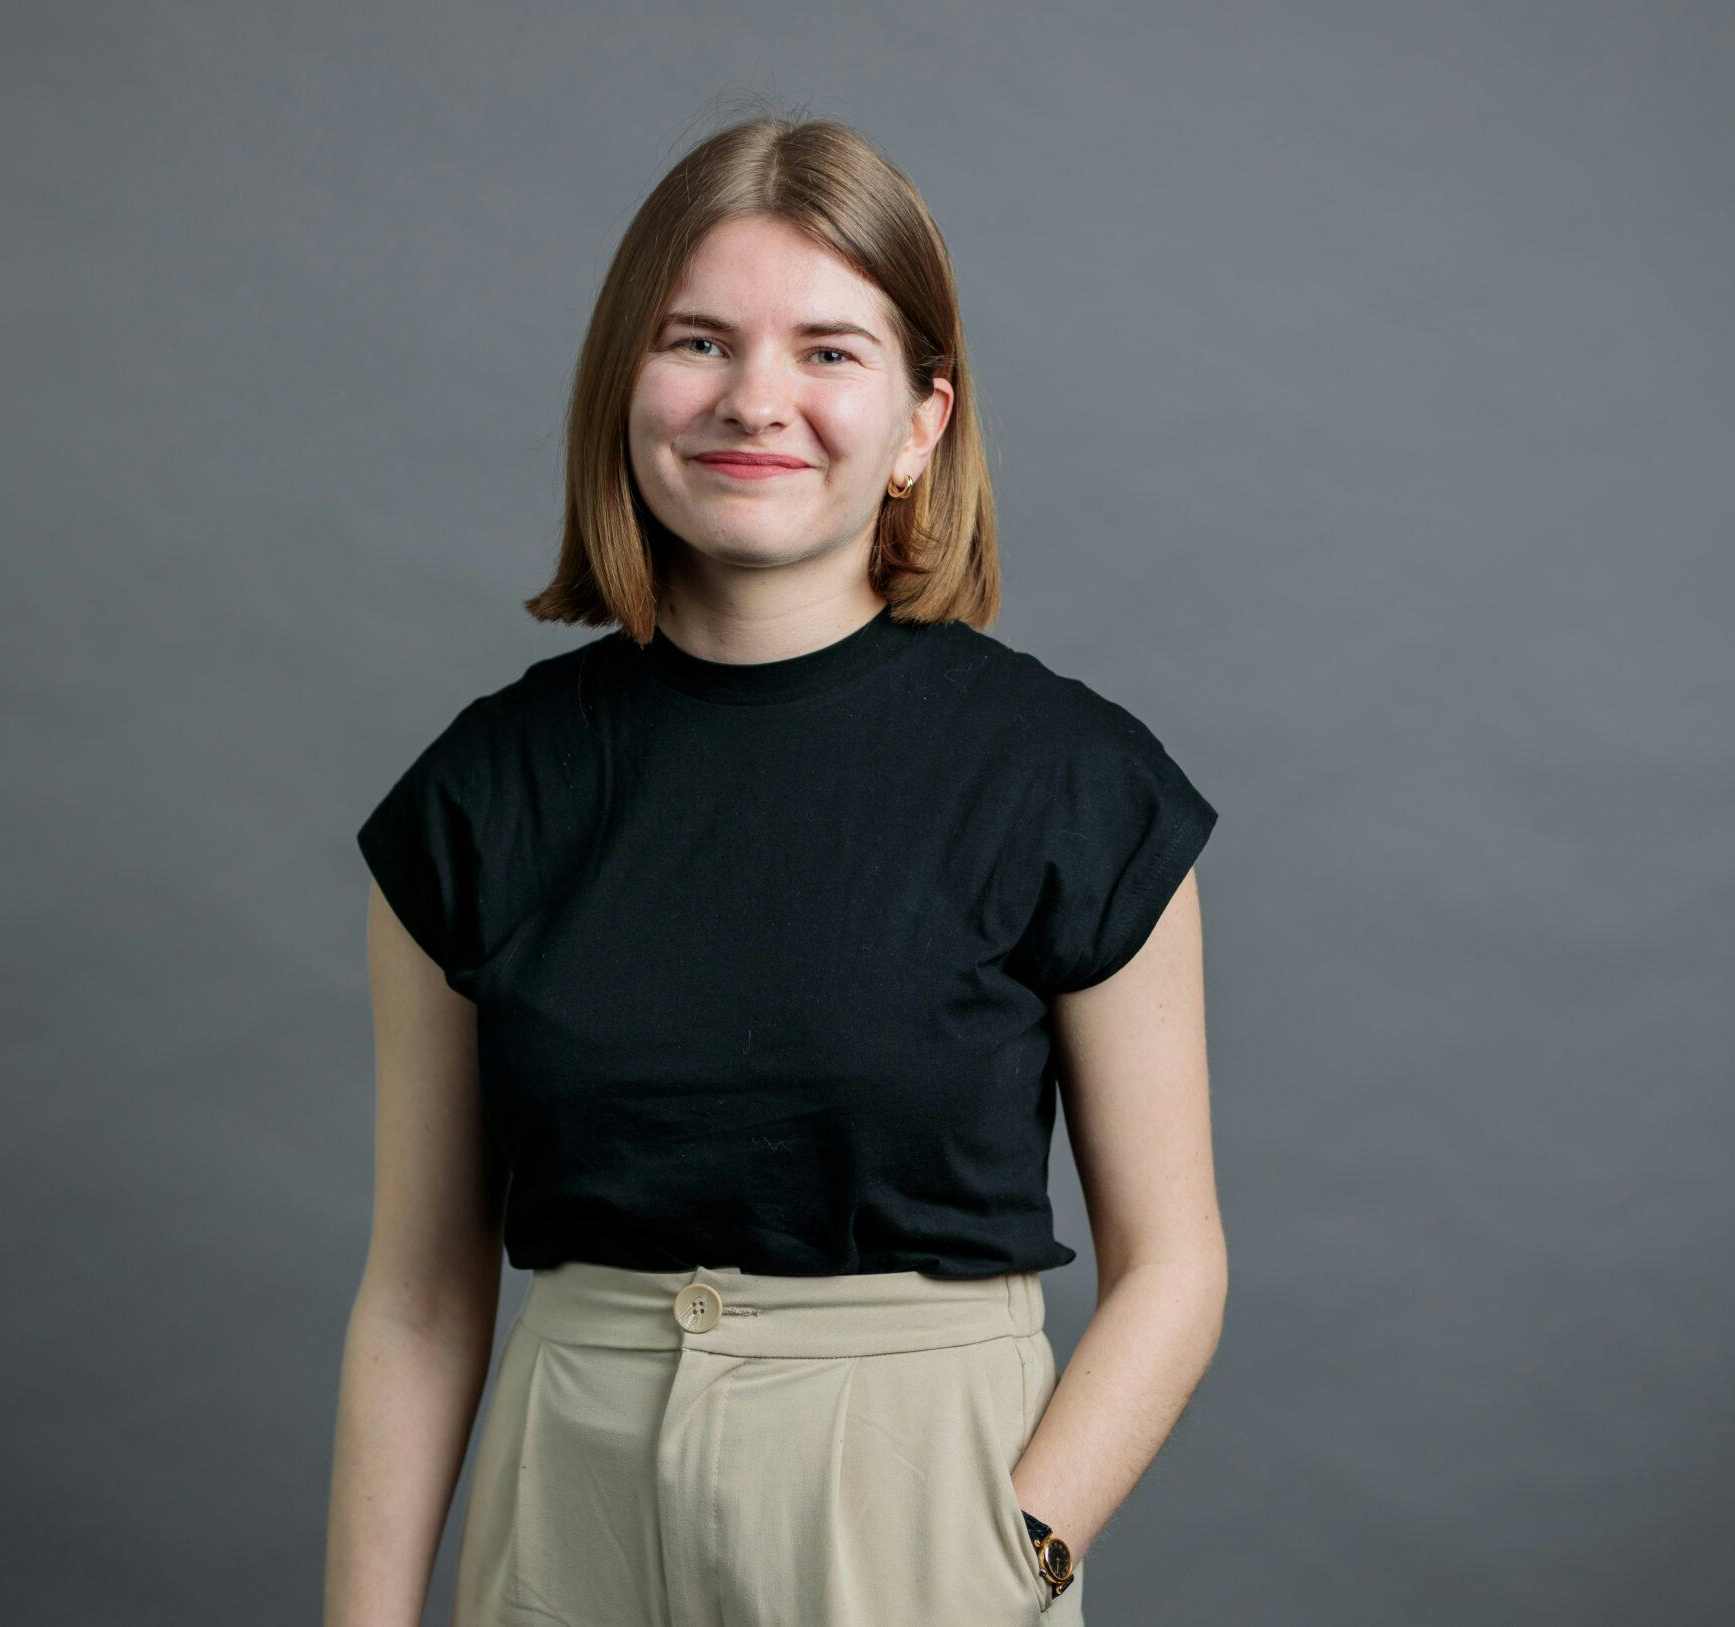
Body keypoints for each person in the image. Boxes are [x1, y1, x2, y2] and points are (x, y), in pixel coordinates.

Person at [324, 115, 1226, 1627]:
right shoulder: (478, 797)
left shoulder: (1068, 783)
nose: (755, 399)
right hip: (566, 1517)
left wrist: (1013, 1555)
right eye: (698, 341)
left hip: (916, 1524)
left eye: (827, 351)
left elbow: (1175, 1267)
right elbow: (419, 1296)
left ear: (922, 424)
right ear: (624, 388)